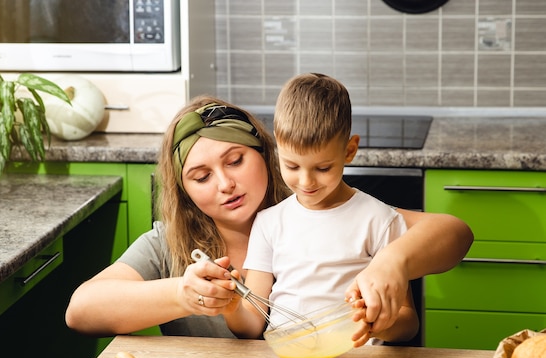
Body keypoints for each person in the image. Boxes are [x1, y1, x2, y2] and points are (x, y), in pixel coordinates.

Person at [64, 95, 473, 339]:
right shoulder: (168, 243)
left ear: (266, 151)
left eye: (236, 160)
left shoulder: (321, 210)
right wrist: (180, 295)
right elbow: (81, 310)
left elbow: (454, 233)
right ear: (183, 191)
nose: (225, 183)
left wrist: (393, 261)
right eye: (201, 176)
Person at [222, 73, 418, 346]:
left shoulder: (379, 220)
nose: (306, 182)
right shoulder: (268, 223)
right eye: (292, 166)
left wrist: (379, 326)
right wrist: (231, 308)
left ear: (349, 151)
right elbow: (252, 325)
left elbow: (408, 322)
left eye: (322, 168)